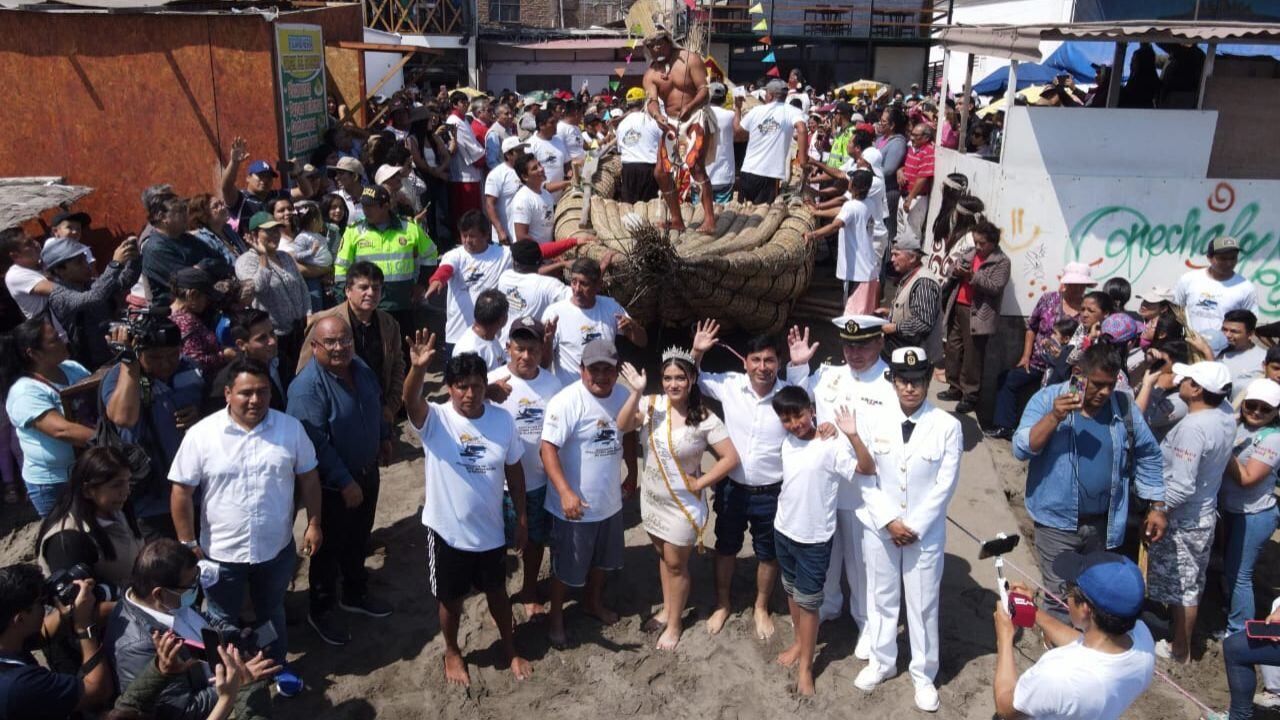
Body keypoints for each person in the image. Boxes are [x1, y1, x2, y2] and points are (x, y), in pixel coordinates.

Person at [169, 357, 322, 694]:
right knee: (223, 619)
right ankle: (229, 680)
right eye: (246, 393)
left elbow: (309, 479)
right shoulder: (202, 435)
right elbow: (181, 491)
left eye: (263, 392)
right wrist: (186, 542)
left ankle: (276, 666)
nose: (255, 400)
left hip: (275, 548)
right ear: (227, 393)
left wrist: (313, 523)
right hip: (220, 555)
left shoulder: (289, 429)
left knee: (272, 612)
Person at [402, 334, 533, 685]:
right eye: (461, 387)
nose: (470, 394)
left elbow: (514, 470)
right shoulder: (436, 420)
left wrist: (521, 516)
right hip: (447, 531)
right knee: (451, 600)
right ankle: (452, 650)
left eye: (476, 386)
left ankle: (510, 648)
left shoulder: (503, 420)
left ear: (485, 385)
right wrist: (417, 369)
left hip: (490, 530)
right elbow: (410, 399)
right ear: (449, 388)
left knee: (497, 594)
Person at [1012, 344, 1167, 622]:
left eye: (1110, 384)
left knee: (1091, 597)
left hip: (1104, 526)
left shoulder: (1123, 407)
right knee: (1060, 598)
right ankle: (1059, 654)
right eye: (1097, 385)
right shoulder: (1047, 400)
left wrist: (1157, 505)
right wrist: (1055, 417)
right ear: (1077, 373)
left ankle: (1085, 650)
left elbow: (1149, 455)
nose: (1105, 392)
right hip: (1056, 523)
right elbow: (1022, 448)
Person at [689, 321, 813, 638]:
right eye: (755, 360)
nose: (762, 367)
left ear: (779, 364)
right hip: (731, 486)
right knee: (726, 545)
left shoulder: (789, 395)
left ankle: (761, 606)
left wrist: (801, 366)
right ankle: (723, 604)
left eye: (769, 360)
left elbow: (812, 413)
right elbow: (693, 380)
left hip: (772, 491)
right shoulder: (730, 384)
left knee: (768, 552)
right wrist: (697, 353)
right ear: (745, 362)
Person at [854, 347, 961, 711]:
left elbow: (945, 485)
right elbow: (865, 475)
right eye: (904, 380)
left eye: (917, 381)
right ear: (893, 380)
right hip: (881, 526)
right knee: (881, 597)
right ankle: (881, 662)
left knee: (922, 604)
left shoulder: (948, 426)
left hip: (923, 533)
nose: (911, 388)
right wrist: (889, 521)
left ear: (928, 380)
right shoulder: (873, 419)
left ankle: (923, 674)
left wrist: (911, 526)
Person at [616, 350, 739, 650]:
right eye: (668, 378)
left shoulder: (705, 418)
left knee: (676, 564)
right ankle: (669, 608)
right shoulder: (651, 405)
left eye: (680, 378)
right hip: (653, 499)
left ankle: (674, 624)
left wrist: (702, 481)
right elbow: (623, 425)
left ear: (692, 379)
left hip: (683, 504)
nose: (673, 384)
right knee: (664, 558)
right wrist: (636, 392)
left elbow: (730, 458)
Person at [288, 316, 392, 647]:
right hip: (334, 487)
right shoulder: (306, 388)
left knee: (359, 537)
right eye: (330, 343)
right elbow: (315, 443)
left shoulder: (357, 366)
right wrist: (345, 481)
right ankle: (321, 610)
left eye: (344, 340)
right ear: (314, 346)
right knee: (327, 550)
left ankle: (354, 592)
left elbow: (374, 403)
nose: (339, 348)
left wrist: (385, 436)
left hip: (367, 471)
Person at [104, 539, 277, 719]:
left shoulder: (167, 601)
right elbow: (184, 711)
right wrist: (237, 682)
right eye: (191, 584)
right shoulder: (138, 648)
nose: (196, 586)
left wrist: (233, 636)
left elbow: (200, 618)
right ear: (159, 593)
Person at [769, 385, 864, 696]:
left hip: (814, 539)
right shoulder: (786, 442)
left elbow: (865, 468)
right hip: (784, 531)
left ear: (811, 411)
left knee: (810, 604)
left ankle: (806, 667)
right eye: (786, 418)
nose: (794, 423)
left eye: (799, 415)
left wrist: (849, 434)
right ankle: (799, 642)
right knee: (792, 592)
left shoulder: (830, 444)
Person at [540, 339, 636, 646]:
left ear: (616, 371)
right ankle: (556, 616)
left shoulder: (624, 396)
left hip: (609, 502)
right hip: (573, 506)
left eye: (607, 369)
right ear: (582, 371)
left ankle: (592, 603)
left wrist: (632, 471)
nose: (601, 376)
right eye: (594, 369)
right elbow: (547, 449)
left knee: (602, 561)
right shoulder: (566, 401)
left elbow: (629, 434)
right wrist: (566, 492)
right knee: (566, 568)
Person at [992, 551, 1155, 720]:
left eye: (1068, 589)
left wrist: (1004, 637)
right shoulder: (1143, 639)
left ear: (1085, 608)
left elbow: (1005, 706)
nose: (1066, 596)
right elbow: (1084, 645)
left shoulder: (1059, 674)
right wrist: (1034, 612)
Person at [1148, 360, 1235, 663]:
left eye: (1185, 380)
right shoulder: (1224, 415)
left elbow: (1183, 486)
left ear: (1197, 389)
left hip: (1183, 518)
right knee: (1190, 582)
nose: (1179, 382)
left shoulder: (1194, 428)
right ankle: (1177, 638)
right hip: (1203, 513)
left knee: (1183, 588)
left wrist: (1160, 510)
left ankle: (1180, 650)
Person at [100, 316, 203, 540]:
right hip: (154, 503)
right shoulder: (119, 378)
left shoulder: (191, 369)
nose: (166, 364)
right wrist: (130, 366)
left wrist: (201, 414)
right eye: (155, 357)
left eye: (172, 355)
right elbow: (122, 417)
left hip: (198, 493)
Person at [486, 317, 562, 618]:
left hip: (538, 482)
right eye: (519, 348)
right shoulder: (490, 381)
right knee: (495, 547)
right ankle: (498, 597)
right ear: (508, 347)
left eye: (532, 349)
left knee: (535, 541)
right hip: (495, 485)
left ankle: (529, 589)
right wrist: (487, 393)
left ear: (542, 350)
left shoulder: (552, 385)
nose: (526, 356)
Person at [988, 261, 1094, 439]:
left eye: (1081, 285)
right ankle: (1006, 427)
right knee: (1007, 379)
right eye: (1073, 284)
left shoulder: (1087, 311)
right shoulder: (1049, 299)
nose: (1077, 289)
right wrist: (1026, 355)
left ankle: (1061, 437)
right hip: (1038, 362)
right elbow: (1032, 327)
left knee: (1068, 399)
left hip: (1066, 371)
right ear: (1066, 283)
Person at [296, 261, 405, 433]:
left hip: (377, 411)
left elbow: (398, 366)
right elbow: (304, 370)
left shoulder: (389, 324)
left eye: (376, 288)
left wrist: (391, 406)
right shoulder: (324, 322)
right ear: (348, 291)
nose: (370, 293)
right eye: (363, 287)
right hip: (338, 416)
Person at [1, 316, 93, 516]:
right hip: (55, 485)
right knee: (67, 540)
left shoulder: (73, 368)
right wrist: (107, 439)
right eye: (55, 340)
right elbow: (61, 430)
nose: (63, 339)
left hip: (90, 470)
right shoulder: (24, 391)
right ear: (33, 353)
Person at [0, 563, 111, 719]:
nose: (45, 607)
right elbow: (99, 690)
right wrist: (83, 625)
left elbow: (40, 634)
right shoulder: (22, 684)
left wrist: (68, 615)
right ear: (19, 619)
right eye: (40, 602)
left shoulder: (7, 635)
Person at [1220, 379, 1280, 639]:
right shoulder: (1238, 425)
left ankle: (1239, 633)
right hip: (1232, 511)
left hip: (1255, 514)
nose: (1256, 412)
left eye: (1264, 409)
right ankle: (1231, 613)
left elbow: (1247, 479)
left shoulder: (1273, 438)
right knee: (1231, 569)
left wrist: (1224, 448)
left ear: (1276, 412)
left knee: (1240, 574)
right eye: (1251, 405)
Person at [333, 185, 437, 335]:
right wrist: (344, 298)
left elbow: (430, 254)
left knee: (403, 351)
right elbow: (341, 268)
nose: (366, 210)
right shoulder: (353, 231)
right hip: (366, 307)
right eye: (364, 206)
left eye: (371, 206)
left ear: (386, 206)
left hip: (401, 304)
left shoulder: (410, 228)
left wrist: (422, 284)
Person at [641, 28, 717, 233]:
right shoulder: (651, 74)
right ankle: (677, 219)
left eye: (659, 43)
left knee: (696, 168)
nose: (656, 48)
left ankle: (710, 221)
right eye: (651, 46)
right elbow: (651, 101)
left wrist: (689, 107)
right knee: (660, 172)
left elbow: (704, 90)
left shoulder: (690, 59)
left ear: (668, 41)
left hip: (696, 117)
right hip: (671, 122)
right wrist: (658, 116)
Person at [36, 447, 143, 591]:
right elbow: (79, 606)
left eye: (128, 481)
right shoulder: (67, 541)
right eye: (116, 485)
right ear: (88, 491)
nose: (126, 491)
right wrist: (140, 603)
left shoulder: (118, 508)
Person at [939, 220, 1010, 414]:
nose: (978, 246)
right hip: (959, 306)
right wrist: (957, 271)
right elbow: (951, 269)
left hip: (979, 312)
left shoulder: (1002, 261)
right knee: (953, 348)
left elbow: (995, 287)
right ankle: (954, 387)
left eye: (982, 243)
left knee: (973, 356)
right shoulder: (970, 254)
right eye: (976, 242)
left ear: (993, 243)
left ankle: (970, 395)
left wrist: (972, 276)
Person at [543, 257, 647, 385]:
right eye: (574, 282)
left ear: (598, 284)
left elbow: (642, 342)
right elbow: (543, 364)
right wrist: (547, 341)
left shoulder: (610, 307)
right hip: (571, 394)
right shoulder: (555, 313)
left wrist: (632, 327)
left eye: (584, 284)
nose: (577, 289)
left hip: (604, 392)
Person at [43, 235, 141, 369]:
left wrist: (133, 258)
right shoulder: (59, 296)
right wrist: (115, 264)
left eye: (85, 260)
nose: (87, 266)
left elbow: (125, 281)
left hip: (117, 352)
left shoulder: (90, 283)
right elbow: (94, 297)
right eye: (79, 262)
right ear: (59, 270)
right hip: (95, 365)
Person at [236, 211, 309, 378]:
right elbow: (259, 287)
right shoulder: (245, 261)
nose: (275, 235)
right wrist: (263, 257)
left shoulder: (285, 257)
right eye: (269, 231)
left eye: (277, 231)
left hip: (298, 330)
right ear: (254, 235)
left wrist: (308, 316)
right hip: (274, 337)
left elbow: (301, 287)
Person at [805, 170, 877, 314]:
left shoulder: (851, 207)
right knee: (864, 311)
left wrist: (812, 235)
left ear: (855, 186)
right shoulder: (869, 203)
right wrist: (817, 211)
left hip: (856, 271)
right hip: (869, 268)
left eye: (850, 181)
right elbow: (842, 211)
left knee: (852, 313)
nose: (848, 182)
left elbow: (835, 225)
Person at [139, 195, 232, 306]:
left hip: (211, 302)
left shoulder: (186, 238)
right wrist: (203, 269)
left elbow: (220, 260)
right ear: (162, 217)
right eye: (180, 211)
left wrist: (202, 266)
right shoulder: (155, 250)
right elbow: (189, 281)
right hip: (179, 314)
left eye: (185, 209)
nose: (185, 215)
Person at [733, 79, 807, 205]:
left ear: (771, 95)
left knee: (743, 214)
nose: (765, 96)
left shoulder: (756, 111)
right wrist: (803, 159)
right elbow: (802, 129)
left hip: (748, 171)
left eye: (766, 93)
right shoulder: (792, 111)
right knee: (761, 217)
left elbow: (738, 133)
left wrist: (738, 109)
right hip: (769, 174)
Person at [1173, 235, 1259, 336]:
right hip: (1190, 345)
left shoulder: (1246, 288)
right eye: (1222, 259)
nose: (1229, 263)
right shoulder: (1188, 279)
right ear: (1209, 258)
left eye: (1233, 258)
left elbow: (1249, 322)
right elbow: (1175, 310)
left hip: (1227, 349)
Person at [204, 310, 286, 415]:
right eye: (262, 338)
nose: (272, 341)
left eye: (272, 333)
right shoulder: (227, 381)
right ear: (241, 344)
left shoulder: (282, 360)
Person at [496, 240, 572, 343]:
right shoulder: (550, 285)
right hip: (532, 349)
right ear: (540, 261)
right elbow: (579, 296)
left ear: (514, 262)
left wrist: (561, 264)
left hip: (506, 345)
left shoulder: (504, 278)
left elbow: (534, 273)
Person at [878, 234, 942, 353]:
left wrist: (894, 327)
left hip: (917, 355)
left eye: (896, 254)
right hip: (904, 348)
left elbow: (923, 322)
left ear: (912, 258)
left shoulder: (924, 282)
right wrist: (889, 312)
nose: (892, 259)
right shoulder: (909, 276)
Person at [167, 268, 229, 378]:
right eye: (207, 298)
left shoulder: (171, 314)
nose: (208, 303)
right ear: (192, 294)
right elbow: (194, 360)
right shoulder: (184, 322)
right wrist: (225, 355)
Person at [616, 87, 663, 204]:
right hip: (648, 170)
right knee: (649, 210)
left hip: (628, 170)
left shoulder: (621, 125)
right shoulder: (652, 121)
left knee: (630, 211)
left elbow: (619, 149)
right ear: (644, 102)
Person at [2, 229, 56, 324]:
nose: (36, 244)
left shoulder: (40, 262)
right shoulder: (15, 275)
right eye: (29, 243)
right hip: (59, 335)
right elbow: (57, 290)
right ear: (15, 256)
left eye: (33, 239)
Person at [484, 136, 526, 245]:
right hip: (507, 236)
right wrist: (500, 231)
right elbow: (490, 205)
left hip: (524, 233)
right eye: (519, 151)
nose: (523, 154)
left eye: (523, 150)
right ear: (508, 154)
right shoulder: (496, 174)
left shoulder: (527, 171)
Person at [508, 155, 558, 245]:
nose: (541, 169)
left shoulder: (546, 195)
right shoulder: (523, 199)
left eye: (539, 164)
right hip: (532, 256)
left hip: (549, 255)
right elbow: (521, 236)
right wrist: (545, 251)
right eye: (535, 168)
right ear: (525, 177)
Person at [524, 110, 572, 204]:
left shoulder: (558, 140)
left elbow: (566, 163)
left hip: (560, 198)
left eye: (556, 122)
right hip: (541, 200)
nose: (556, 125)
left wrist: (570, 172)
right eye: (552, 123)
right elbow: (530, 178)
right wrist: (568, 183)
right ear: (541, 125)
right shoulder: (530, 145)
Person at [898, 124, 935, 241]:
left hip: (915, 199)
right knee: (901, 233)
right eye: (911, 134)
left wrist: (910, 198)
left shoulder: (928, 151)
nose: (912, 137)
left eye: (916, 135)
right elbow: (906, 167)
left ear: (926, 138)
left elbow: (923, 178)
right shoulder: (912, 148)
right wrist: (900, 171)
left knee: (911, 236)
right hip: (905, 196)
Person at [1221, 309, 1267, 400]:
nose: (1227, 335)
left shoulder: (1264, 359)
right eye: (1224, 330)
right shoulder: (1214, 352)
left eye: (1234, 331)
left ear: (1250, 334)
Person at [704, 82, 737, 204]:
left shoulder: (696, 114)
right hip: (723, 176)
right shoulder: (731, 115)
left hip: (699, 177)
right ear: (724, 98)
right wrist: (738, 108)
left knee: (698, 216)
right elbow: (740, 133)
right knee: (723, 218)